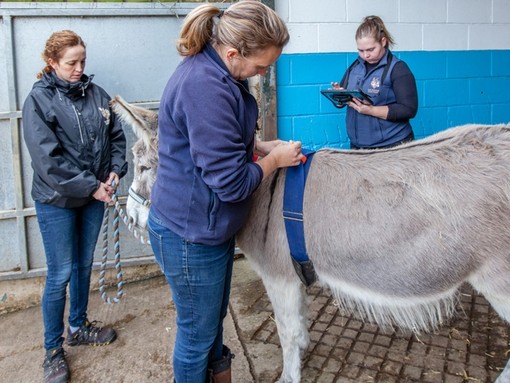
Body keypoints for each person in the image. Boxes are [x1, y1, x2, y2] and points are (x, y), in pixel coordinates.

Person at [147, 1, 303, 382]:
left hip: (206, 227)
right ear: (233, 53)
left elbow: (218, 142)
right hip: (190, 235)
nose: (263, 74)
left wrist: (260, 147)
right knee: (196, 337)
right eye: (261, 66)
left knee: (209, 324)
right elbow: (232, 184)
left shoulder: (219, 73)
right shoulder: (205, 87)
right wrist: (274, 161)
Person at [22, 30, 128, 383]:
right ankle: (52, 350)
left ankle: (78, 327)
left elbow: (116, 137)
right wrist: (92, 187)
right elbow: (48, 161)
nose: (79, 68)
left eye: (83, 61)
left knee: (83, 265)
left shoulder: (95, 94)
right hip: (58, 201)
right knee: (60, 273)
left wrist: (115, 171)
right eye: (71, 63)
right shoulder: (39, 100)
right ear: (52, 63)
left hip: (94, 195)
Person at [336, 15, 418, 149]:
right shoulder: (354, 67)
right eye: (360, 50)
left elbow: (408, 109)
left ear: (383, 41)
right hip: (359, 146)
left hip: (392, 145)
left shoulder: (398, 68)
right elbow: (345, 98)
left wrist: (371, 110)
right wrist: (339, 95)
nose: (365, 55)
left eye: (370, 49)